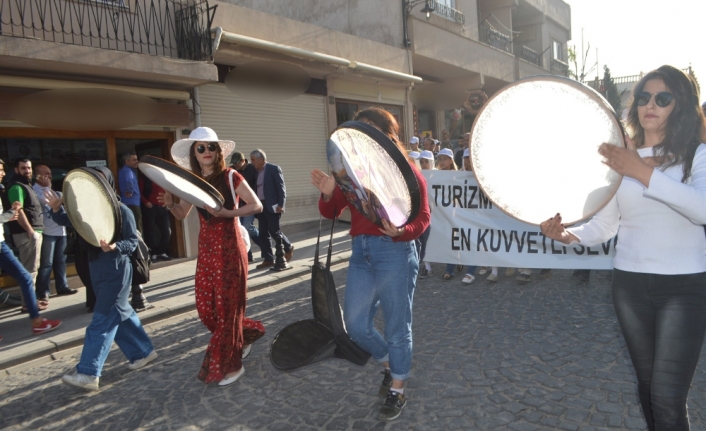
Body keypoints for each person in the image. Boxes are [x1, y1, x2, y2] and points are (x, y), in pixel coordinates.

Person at [541, 65, 706, 430]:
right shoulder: (621, 159)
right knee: (648, 390)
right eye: (644, 97)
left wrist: (641, 170)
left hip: (684, 287)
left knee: (666, 395)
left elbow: (701, 209)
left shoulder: (698, 155)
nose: (651, 104)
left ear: (681, 106)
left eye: (663, 98)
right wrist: (567, 235)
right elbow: (604, 226)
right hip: (629, 286)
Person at [311, 107, 430, 421]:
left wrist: (403, 231)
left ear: (385, 136)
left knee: (396, 328)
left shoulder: (407, 173)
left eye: (366, 130)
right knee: (356, 324)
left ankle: (398, 389)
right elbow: (331, 211)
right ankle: (391, 365)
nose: (358, 138)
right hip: (360, 252)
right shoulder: (350, 174)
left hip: (395, 251)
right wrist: (327, 195)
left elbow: (423, 218)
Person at [160, 127, 265, 387]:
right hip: (206, 249)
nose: (207, 151)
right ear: (194, 153)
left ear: (218, 151)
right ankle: (244, 335)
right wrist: (171, 203)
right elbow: (182, 213)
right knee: (208, 309)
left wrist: (227, 214)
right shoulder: (192, 181)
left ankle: (233, 365)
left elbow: (256, 205)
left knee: (228, 309)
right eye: (201, 148)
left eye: (211, 147)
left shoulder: (231, 176)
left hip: (230, 246)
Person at [46, 166, 156, 391]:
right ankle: (143, 352)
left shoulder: (123, 211)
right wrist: (56, 210)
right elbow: (68, 221)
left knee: (103, 320)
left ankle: (88, 372)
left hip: (116, 271)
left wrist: (116, 246)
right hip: (98, 270)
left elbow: (132, 243)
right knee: (121, 313)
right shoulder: (87, 211)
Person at [0, 158, 61, 337]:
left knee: (26, 277)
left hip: (1, 243)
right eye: (0, 169)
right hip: (15, 239)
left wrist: (10, 214)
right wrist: (13, 212)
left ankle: (37, 322)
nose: (3, 173)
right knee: (28, 275)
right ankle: (37, 320)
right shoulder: (16, 187)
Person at [33, 164, 76, 301]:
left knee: (60, 261)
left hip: (60, 231)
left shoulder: (52, 190)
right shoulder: (35, 190)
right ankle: (43, 291)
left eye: (50, 173)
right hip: (47, 232)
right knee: (46, 264)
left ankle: (62, 286)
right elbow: (46, 202)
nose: (49, 176)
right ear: (37, 176)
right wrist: (47, 187)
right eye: (45, 174)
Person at [8, 159, 45, 311]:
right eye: (23, 168)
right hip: (26, 234)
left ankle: (30, 301)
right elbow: (18, 210)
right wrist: (31, 232)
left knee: (32, 270)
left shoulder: (26, 185)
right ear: (16, 170)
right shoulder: (16, 187)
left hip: (32, 233)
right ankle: (28, 304)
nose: (27, 171)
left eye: (29, 168)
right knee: (30, 271)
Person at [435, 148, 477, 283]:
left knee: (472, 242)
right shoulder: (435, 176)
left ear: (451, 160)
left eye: (445, 159)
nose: (442, 162)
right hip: (450, 214)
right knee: (452, 242)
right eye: (440, 159)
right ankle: (450, 269)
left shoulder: (459, 175)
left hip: (467, 213)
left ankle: (471, 271)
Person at [250, 149, 294, 268]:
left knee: (274, 230)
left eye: (254, 160)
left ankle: (288, 246)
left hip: (272, 205)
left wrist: (281, 204)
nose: (252, 162)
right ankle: (268, 258)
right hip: (261, 206)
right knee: (263, 233)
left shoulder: (274, 169)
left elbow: (281, 188)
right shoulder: (255, 172)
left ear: (261, 159)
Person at [230, 152, 261, 263]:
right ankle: (248, 255)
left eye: (237, 163)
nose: (235, 165)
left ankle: (264, 245)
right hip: (238, 205)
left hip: (250, 204)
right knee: (241, 230)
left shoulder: (253, 169)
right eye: (233, 164)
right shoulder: (232, 171)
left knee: (248, 227)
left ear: (243, 161)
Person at [139, 174, 172, 262]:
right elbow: (140, 192)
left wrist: (167, 203)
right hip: (151, 208)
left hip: (163, 208)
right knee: (149, 232)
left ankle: (161, 252)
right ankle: (153, 254)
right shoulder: (145, 178)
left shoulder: (163, 178)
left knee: (167, 232)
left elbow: (169, 191)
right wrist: (146, 203)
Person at [417, 150, 435, 279]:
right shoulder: (418, 175)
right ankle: (426, 267)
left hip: (438, 215)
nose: (423, 164)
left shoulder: (438, 176)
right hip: (424, 215)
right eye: (421, 162)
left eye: (426, 162)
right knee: (423, 241)